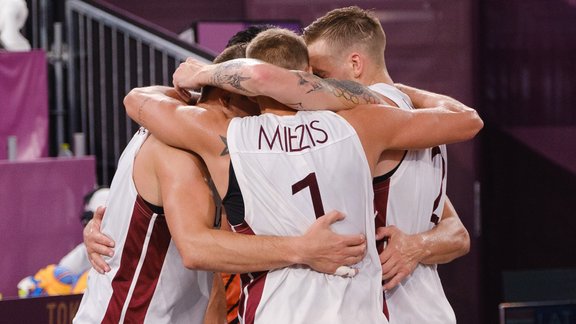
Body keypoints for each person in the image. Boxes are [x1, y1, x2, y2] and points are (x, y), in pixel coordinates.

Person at [124, 28, 482, 323]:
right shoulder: (362, 124)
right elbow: (465, 120)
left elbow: (137, 100)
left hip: (276, 311)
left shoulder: (228, 137)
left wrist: (192, 80)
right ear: (304, 77)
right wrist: (394, 93)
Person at [74, 45, 372, 324]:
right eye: (257, 106)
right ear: (227, 97)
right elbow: (196, 249)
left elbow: (216, 259)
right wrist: (303, 249)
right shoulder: (175, 146)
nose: (264, 120)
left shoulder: (189, 133)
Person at [302, 6, 469, 322]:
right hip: (430, 311)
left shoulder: (368, 118)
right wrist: (418, 244)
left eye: (321, 76)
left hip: (384, 309)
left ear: (355, 64)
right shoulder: (417, 116)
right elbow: (456, 232)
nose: (315, 87)